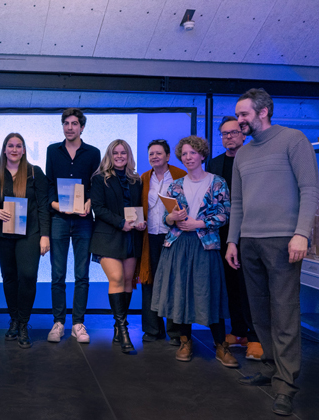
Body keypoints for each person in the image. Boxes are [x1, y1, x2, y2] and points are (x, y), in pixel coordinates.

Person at [226, 88, 319, 417]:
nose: (239, 121)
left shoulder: (294, 140)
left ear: (262, 112)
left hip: (283, 241)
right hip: (248, 241)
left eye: (243, 114)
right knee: (260, 312)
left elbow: (310, 189)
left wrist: (301, 234)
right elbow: (237, 203)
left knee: (284, 314)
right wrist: (233, 241)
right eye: (238, 115)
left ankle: (285, 384)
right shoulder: (243, 155)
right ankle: (269, 367)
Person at [151, 135, 238, 369]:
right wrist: (171, 217)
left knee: (209, 292)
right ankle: (185, 341)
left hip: (205, 245)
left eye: (192, 153)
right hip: (178, 245)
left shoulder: (217, 182)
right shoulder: (175, 185)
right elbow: (165, 218)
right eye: (185, 154)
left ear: (202, 155)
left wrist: (197, 224)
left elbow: (224, 213)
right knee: (181, 294)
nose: (188, 157)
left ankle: (220, 345)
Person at [207, 117, 262, 361]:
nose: (228, 137)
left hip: (248, 232)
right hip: (221, 234)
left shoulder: (254, 158)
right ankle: (239, 332)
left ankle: (255, 337)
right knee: (230, 285)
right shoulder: (215, 163)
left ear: (243, 134)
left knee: (249, 286)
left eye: (233, 132)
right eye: (224, 134)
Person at [45, 108, 101, 343]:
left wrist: (89, 202)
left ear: (82, 127)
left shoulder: (93, 153)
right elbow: (48, 184)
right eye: (66, 123)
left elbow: (96, 185)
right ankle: (58, 322)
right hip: (59, 218)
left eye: (74, 123)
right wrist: (56, 205)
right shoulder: (52, 151)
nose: (70, 127)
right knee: (57, 275)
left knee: (82, 275)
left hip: (83, 221)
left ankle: (78, 323)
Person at [0, 133, 50, 349]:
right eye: (11, 146)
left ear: (24, 150)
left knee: (27, 276)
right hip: (3, 235)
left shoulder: (36, 173)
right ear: (5, 149)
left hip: (31, 234)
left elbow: (44, 205)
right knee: (9, 277)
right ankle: (14, 320)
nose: (15, 149)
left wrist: (45, 235)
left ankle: (24, 323)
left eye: (19, 146)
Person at [90, 140, 146, 353]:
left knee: (128, 282)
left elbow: (138, 208)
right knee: (116, 279)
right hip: (107, 236)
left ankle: (117, 324)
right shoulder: (99, 179)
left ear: (128, 155)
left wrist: (140, 222)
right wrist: (121, 223)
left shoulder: (136, 180)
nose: (120, 156)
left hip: (131, 237)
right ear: (110, 155)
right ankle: (123, 329)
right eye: (116, 153)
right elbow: (98, 208)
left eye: (123, 153)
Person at [138, 139, 185, 345]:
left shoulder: (180, 175)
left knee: (174, 282)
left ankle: (176, 332)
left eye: (158, 153)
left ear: (167, 156)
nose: (154, 157)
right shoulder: (144, 178)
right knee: (150, 281)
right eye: (151, 154)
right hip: (150, 237)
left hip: (173, 236)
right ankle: (152, 329)